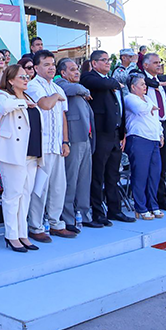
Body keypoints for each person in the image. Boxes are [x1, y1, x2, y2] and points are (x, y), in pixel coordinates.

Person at [25, 50, 76, 242]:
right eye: (46, 65)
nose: (51, 68)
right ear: (36, 68)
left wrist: (65, 141)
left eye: (53, 64)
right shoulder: (33, 85)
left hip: (56, 144)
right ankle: (36, 226)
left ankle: (56, 223)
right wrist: (55, 96)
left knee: (58, 186)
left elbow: (63, 116)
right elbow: (45, 104)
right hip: (42, 146)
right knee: (40, 188)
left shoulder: (57, 88)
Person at [0, 64, 41, 252]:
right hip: (12, 153)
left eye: (27, 77)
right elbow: (4, 108)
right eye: (22, 77)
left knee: (25, 195)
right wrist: (23, 103)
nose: (26, 79)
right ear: (11, 80)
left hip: (31, 152)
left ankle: (23, 233)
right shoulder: (2, 95)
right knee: (13, 195)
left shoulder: (28, 97)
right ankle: (11, 235)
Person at [81, 50, 134, 225]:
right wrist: (115, 83)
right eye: (103, 60)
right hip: (101, 134)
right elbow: (104, 84)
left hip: (115, 134)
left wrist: (122, 132)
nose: (107, 63)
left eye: (108, 60)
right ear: (94, 63)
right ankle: (98, 213)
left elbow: (120, 107)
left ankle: (115, 210)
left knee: (113, 175)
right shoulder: (90, 78)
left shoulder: (112, 82)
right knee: (98, 175)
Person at [56, 59, 99, 230]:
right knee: (71, 180)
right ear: (63, 73)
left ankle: (84, 215)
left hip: (85, 138)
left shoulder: (78, 88)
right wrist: (85, 90)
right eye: (72, 69)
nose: (76, 72)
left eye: (77, 69)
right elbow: (70, 89)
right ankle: (68, 218)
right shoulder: (61, 83)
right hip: (73, 139)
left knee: (84, 180)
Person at [140, 53, 166, 212]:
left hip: (163, 125)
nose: (158, 65)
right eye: (155, 62)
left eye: (159, 62)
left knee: (162, 166)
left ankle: (161, 199)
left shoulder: (160, 81)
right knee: (149, 167)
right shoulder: (141, 80)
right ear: (145, 65)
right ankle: (147, 201)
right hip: (148, 127)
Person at [124, 74, 164, 220]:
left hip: (153, 139)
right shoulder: (130, 98)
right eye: (141, 84)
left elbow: (156, 117)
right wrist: (151, 107)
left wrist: (160, 134)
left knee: (154, 173)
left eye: (144, 84)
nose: (144, 86)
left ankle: (153, 205)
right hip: (139, 138)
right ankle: (140, 207)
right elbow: (140, 110)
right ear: (133, 87)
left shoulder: (147, 99)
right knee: (140, 174)